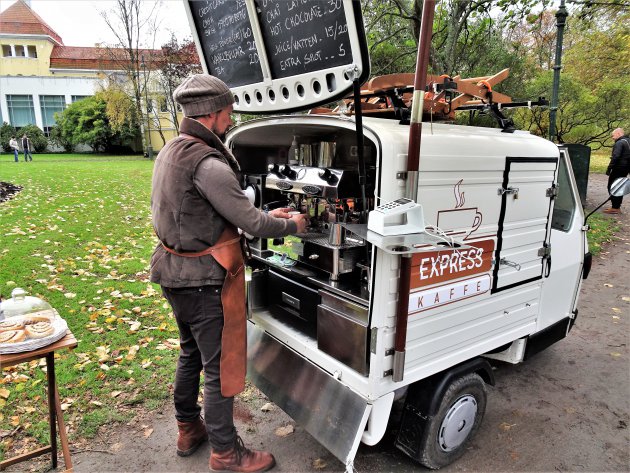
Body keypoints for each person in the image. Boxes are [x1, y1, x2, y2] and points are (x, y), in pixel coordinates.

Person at [150, 74, 307, 473]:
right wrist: (292, 226)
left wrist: (263, 215)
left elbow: (221, 213)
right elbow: (251, 224)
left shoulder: (172, 150)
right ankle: (226, 453)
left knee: (191, 353)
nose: (231, 118)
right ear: (216, 113)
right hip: (202, 282)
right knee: (220, 367)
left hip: (174, 273)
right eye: (229, 111)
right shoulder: (208, 162)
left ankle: (189, 428)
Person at [604, 127, 630, 214]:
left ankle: (615, 207)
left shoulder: (619, 143)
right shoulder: (628, 141)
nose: (612, 137)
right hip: (626, 168)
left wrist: (609, 168)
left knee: (612, 186)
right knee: (620, 186)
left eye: (613, 135)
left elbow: (616, 156)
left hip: (618, 168)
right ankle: (616, 207)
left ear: (618, 134)